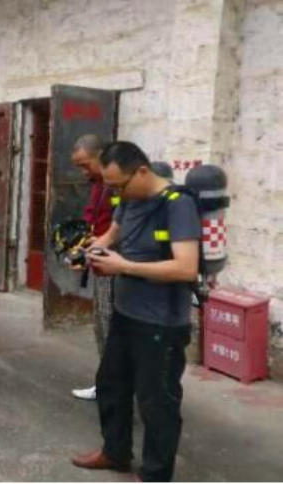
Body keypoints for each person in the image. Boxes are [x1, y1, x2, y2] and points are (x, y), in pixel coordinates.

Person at [71, 141, 200, 482]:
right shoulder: (128, 198)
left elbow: (186, 267)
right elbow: (112, 234)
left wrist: (124, 267)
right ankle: (115, 453)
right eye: (111, 186)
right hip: (126, 313)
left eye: (119, 185)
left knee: (156, 401)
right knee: (110, 384)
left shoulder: (178, 205)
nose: (116, 193)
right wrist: (88, 253)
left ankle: (156, 474)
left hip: (161, 324)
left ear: (142, 171)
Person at [69, 134, 117, 401]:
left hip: (114, 265)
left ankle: (114, 388)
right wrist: (82, 245)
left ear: (101, 156)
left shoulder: (118, 186)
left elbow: (120, 227)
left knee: (110, 329)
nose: (83, 171)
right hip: (99, 262)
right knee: (101, 325)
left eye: (85, 164)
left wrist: (99, 244)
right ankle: (107, 383)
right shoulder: (98, 184)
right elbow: (92, 218)